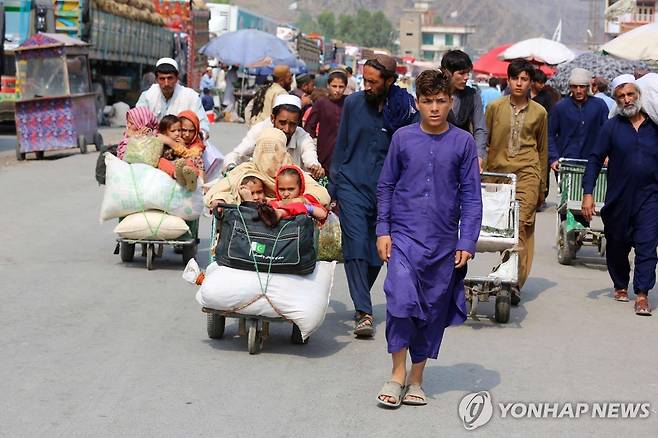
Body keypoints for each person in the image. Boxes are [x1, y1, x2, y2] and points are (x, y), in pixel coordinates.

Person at [375, 69, 482, 407]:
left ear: (450, 102)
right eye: (427, 101)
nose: (435, 108)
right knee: (401, 302)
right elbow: (387, 185)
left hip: (443, 242)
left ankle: (417, 379)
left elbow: (471, 195)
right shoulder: (402, 139)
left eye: (441, 101)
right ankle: (396, 375)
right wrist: (383, 230)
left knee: (431, 312)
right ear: (417, 103)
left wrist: (467, 241)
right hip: (404, 237)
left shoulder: (463, 143)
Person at [331, 54, 418, 337]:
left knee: (375, 252)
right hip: (352, 185)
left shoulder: (405, 111)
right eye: (364, 80)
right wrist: (333, 188)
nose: (366, 86)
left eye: (373, 81)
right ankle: (364, 311)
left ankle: (360, 298)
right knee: (355, 245)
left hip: (388, 192)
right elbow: (342, 146)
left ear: (390, 81)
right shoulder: (353, 104)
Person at [582, 74, 658, 316]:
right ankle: (620, 283)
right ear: (616, 100)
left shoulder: (654, 126)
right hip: (619, 198)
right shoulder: (611, 127)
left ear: (638, 95)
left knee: (647, 247)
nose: (626, 100)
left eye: (630, 94)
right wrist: (588, 193)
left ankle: (643, 294)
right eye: (621, 96)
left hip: (651, 197)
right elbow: (594, 159)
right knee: (617, 244)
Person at [485, 58, 548, 304]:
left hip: (528, 174)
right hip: (499, 176)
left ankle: (513, 281)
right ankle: (507, 272)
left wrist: (542, 185)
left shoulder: (540, 113)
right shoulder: (494, 108)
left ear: (531, 83)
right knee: (503, 230)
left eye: (524, 79)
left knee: (521, 227)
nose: (519, 83)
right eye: (515, 78)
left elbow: (542, 150)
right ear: (508, 80)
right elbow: (486, 143)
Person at [206, 127, 330, 208]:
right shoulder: (245, 171)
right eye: (264, 149)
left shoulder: (291, 173)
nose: (270, 156)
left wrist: (290, 202)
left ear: (283, 150)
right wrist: (223, 200)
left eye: (275, 149)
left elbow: (322, 195)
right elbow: (215, 193)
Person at [223, 94, 324, 178]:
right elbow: (236, 154)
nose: (286, 129)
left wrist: (314, 166)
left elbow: (310, 155)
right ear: (272, 118)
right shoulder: (259, 131)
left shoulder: (303, 136)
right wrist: (231, 167)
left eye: (292, 124)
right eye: (282, 123)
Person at [548, 68, 609, 174]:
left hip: (592, 161)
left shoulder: (599, 105)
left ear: (587, 87)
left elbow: (607, 133)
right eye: (575, 87)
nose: (579, 90)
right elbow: (550, 134)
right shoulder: (561, 106)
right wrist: (553, 159)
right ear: (570, 88)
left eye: (582, 87)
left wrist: (606, 154)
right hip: (566, 162)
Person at [136, 58, 211, 138]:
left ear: (176, 78)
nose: (166, 83)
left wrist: (200, 135)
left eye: (170, 78)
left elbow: (203, 126)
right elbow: (136, 122)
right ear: (156, 80)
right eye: (162, 79)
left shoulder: (191, 97)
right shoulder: (147, 96)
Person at [440, 50, 488, 169]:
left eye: (468, 73)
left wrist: (479, 156)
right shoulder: (435, 95)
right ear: (447, 73)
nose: (466, 78)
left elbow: (480, 128)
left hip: (463, 156)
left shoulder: (472, 95)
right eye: (461, 73)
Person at [304, 69, 347, 175]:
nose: (337, 90)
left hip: (344, 154)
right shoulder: (321, 103)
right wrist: (311, 147)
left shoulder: (349, 102)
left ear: (345, 87)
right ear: (328, 86)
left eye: (341, 87)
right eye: (334, 86)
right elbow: (309, 127)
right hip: (324, 152)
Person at [263, 165, 329, 223]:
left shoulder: (306, 202)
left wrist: (304, 207)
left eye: (291, 189)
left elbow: (322, 214)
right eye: (282, 189)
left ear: (300, 188)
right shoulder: (274, 204)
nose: (286, 194)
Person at [156, 115, 201, 191]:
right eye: (173, 131)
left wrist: (182, 146)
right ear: (164, 133)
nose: (177, 133)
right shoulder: (161, 141)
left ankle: (192, 179)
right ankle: (177, 175)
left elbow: (188, 155)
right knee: (161, 161)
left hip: (181, 165)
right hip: (170, 165)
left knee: (189, 161)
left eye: (179, 130)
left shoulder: (182, 142)